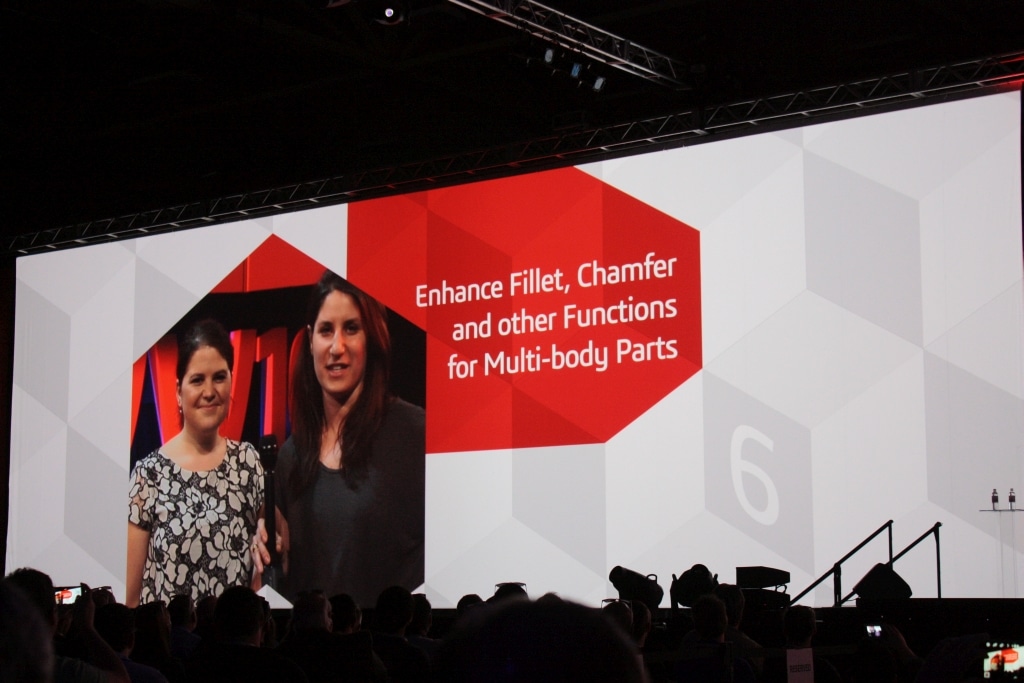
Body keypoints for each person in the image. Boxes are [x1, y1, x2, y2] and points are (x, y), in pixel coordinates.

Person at [254, 271, 425, 606]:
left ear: (371, 338)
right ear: (310, 340)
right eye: (326, 331)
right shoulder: (289, 458)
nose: (337, 347)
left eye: (351, 328)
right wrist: (271, 559)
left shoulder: (415, 434)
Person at [127, 319, 264, 607]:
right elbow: (130, 596)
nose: (209, 391)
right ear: (179, 391)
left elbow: (274, 544)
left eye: (219, 377)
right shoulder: (148, 475)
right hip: (167, 636)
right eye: (198, 380)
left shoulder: (248, 463)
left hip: (234, 634)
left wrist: (268, 534)